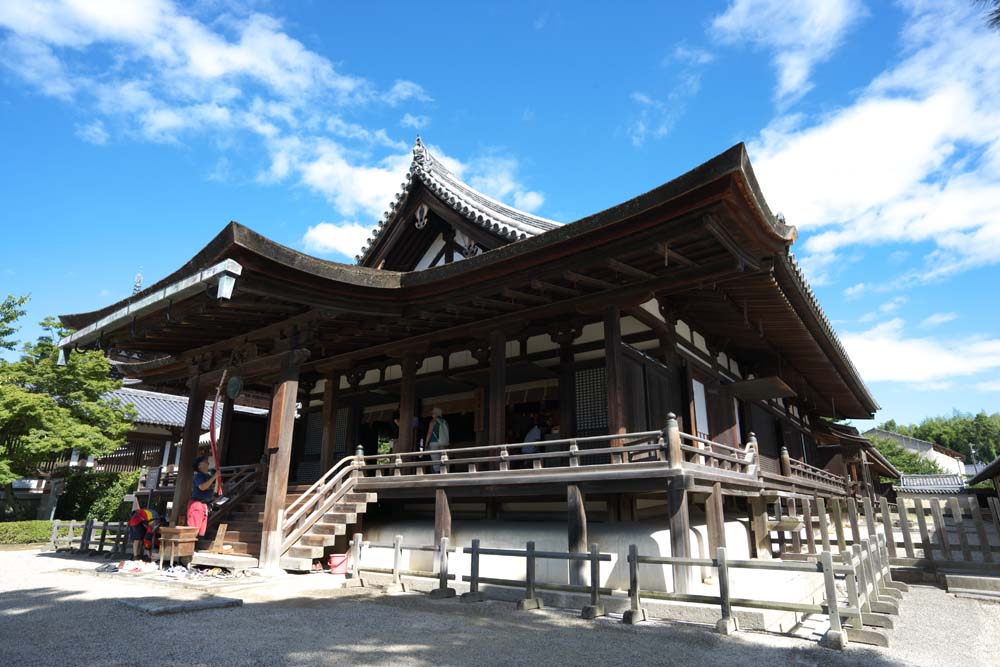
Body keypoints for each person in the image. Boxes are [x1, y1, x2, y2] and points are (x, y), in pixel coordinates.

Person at [187, 456, 220, 537]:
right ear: (199, 465)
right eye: (205, 461)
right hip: (197, 504)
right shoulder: (199, 475)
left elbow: (210, 490)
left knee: (200, 530)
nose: (208, 463)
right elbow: (202, 487)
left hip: (205, 505)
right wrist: (214, 477)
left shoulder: (208, 476)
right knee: (194, 529)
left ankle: (194, 547)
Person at [425, 407, 450, 472]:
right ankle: (444, 473)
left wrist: (426, 443)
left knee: (436, 461)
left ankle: (437, 474)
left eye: (433, 413)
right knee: (443, 459)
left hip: (434, 443)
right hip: (443, 443)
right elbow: (447, 433)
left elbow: (429, 433)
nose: (432, 414)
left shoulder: (432, 422)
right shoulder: (445, 422)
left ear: (436, 414)